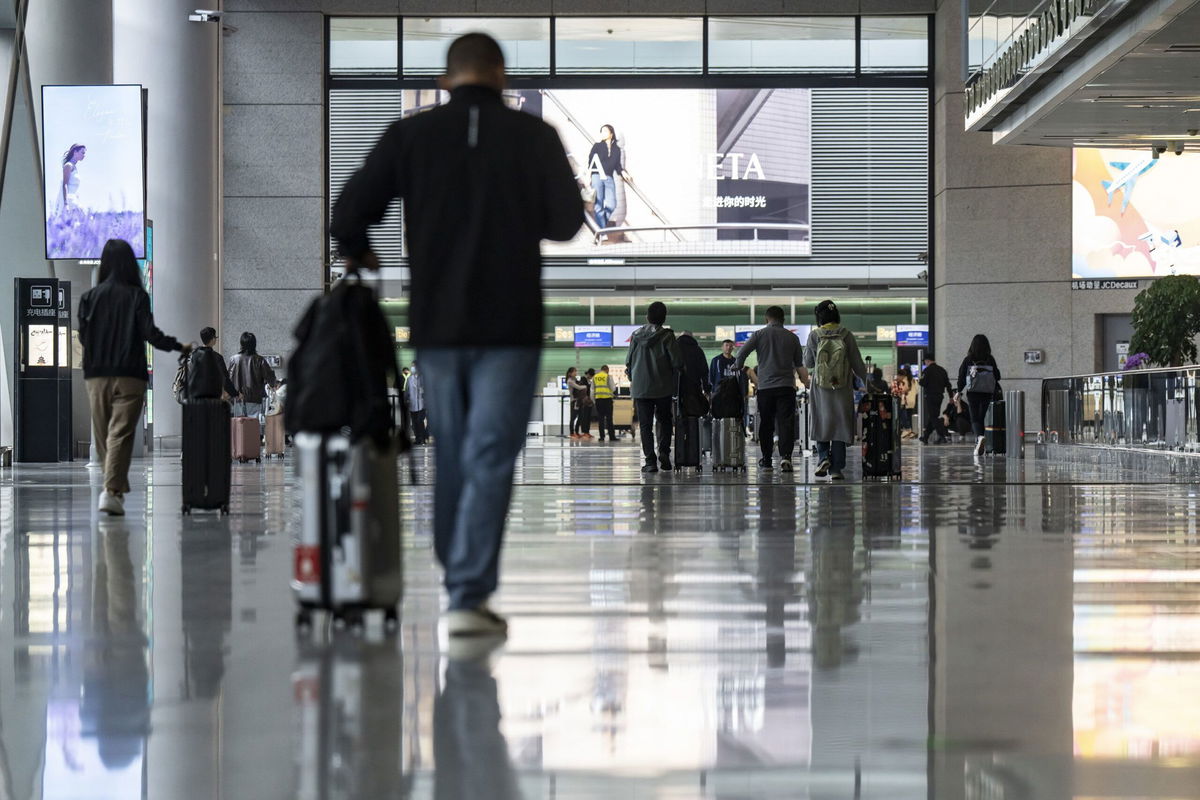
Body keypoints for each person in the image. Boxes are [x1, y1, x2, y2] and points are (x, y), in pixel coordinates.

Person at [330, 32, 582, 638]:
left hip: (439, 328)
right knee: (492, 453)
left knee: (454, 452)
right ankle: (467, 596)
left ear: (447, 80)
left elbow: (349, 210)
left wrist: (362, 251)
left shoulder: (412, 135)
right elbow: (569, 221)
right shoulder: (535, 137)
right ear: (502, 76)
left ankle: (459, 583)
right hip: (511, 325)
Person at [78, 238, 190, 516]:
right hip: (130, 374)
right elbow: (150, 334)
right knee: (120, 433)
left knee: (104, 435)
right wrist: (179, 346)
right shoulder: (137, 296)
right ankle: (112, 490)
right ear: (131, 265)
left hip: (97, 375)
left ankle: (112, 489)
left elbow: (83, 336)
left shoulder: (89, 299)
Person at [803, 300, 867, 481]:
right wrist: (868, 383)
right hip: (842, 385)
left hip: (820, 386)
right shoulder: (846, 335)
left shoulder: (814, 335)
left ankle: (823, 458)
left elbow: (808, 363)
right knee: (839, 424)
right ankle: (837, 469)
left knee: (821, 421)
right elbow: (857, 364)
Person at [735, 306, 804, 473]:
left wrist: (737, 366)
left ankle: (766, 459)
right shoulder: (792, 338)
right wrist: (802, 379)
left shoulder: (759, 334)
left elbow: (741, 353)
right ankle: (786, 456)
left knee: (766, 423)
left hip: (766, 387)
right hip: (787, 387)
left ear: (766, 319)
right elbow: (799, 364)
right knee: (785, 422)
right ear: (783, 320)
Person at [626, 301, 683, 473]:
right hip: (662, 387)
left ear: (647, 317)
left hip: (641, 389)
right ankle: (664, 453)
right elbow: (677, 361)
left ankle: (650, 461)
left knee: (644, 425)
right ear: (664, 318)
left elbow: (628, 362)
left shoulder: (635, 336)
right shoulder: (667, 336)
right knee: (664, 420)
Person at [956, 334, 1002, 456]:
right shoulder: (990, 359)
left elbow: (961, 378)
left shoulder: (968, 359)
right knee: (982, 417)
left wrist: (958, 391)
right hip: (987, 392)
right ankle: (980, 440)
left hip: (973, 392)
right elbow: (997, 376)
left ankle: (979, 437)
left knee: (975, 417)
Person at [587, 124, 632, 235]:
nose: (603, 133)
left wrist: (623, 172)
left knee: (612, 204)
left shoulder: (617, 150)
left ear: (611, 134)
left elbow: (617, 165)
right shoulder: (597, 146)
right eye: (601, 131)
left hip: (609, 177)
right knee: (598, 205)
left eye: (605, 131)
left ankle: (599, 229)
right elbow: (590, 161)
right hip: (597, 176)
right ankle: (602, 234)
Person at [227, 332, 278, 428]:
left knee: (239, 428)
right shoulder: (259, 360)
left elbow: (228, 379)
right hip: (255, 399)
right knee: (254, 427)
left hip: (238, 399)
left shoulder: (234, 359)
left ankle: (240, 443)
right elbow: (271, 379)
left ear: (241, 344)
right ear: (254, 344)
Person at [918, 354, 953, 444]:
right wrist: (951, 396)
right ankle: (925, 437)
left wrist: (920, 380)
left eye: (925, 361)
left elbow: (922, 383)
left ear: (928, 360)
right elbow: (948, 385)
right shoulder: (942, 370)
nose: (925, 363)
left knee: (934, 417)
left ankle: (943, 436)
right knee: (933, 416)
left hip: (930, 396)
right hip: (939, 396)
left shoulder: (927, 370)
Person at [195, 327, 238, 400]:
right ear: (212, 339)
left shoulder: (194, 355)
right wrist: (235, 393)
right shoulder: (217, 357)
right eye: (215, 337)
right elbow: (225, 379)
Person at [676, 330, 711, 415]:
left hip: (677, 388)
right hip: (694, 387)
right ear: (692, 338)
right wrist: (707, 389)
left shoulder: (674, 348)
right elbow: (704, 371)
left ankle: (680, 427)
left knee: (678, 414)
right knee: (693, 412)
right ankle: (693, 427)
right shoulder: (698, 350)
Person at [58, 143, 86, 213]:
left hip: (74, 199)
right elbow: (64, 185)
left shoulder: (74, 167)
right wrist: (66, 204)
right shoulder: (68, 165)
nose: (84, 155)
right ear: (75, 152)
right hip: (69, 200)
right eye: (82, 153)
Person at [592, 364, 616, 442]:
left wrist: (593, 400)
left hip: (598, 400)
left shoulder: (595, 377)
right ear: (607, 370)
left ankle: (602, 437)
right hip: (607, 400)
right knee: (609, 419)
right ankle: (612, 437)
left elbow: (592, 390)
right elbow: (613, 388)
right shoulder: (608, 376)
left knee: (601, 419)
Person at [407, 362, 427, 445]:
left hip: (421, 404)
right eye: (412, 366)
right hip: (412, 404)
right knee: (414, 423)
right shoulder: (409, 379)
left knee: (420, 421)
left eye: (414, 366)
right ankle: (417, 439)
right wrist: (406, 399)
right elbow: (407, 390)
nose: (413, 368)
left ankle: (423, 438)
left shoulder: (422, 378)